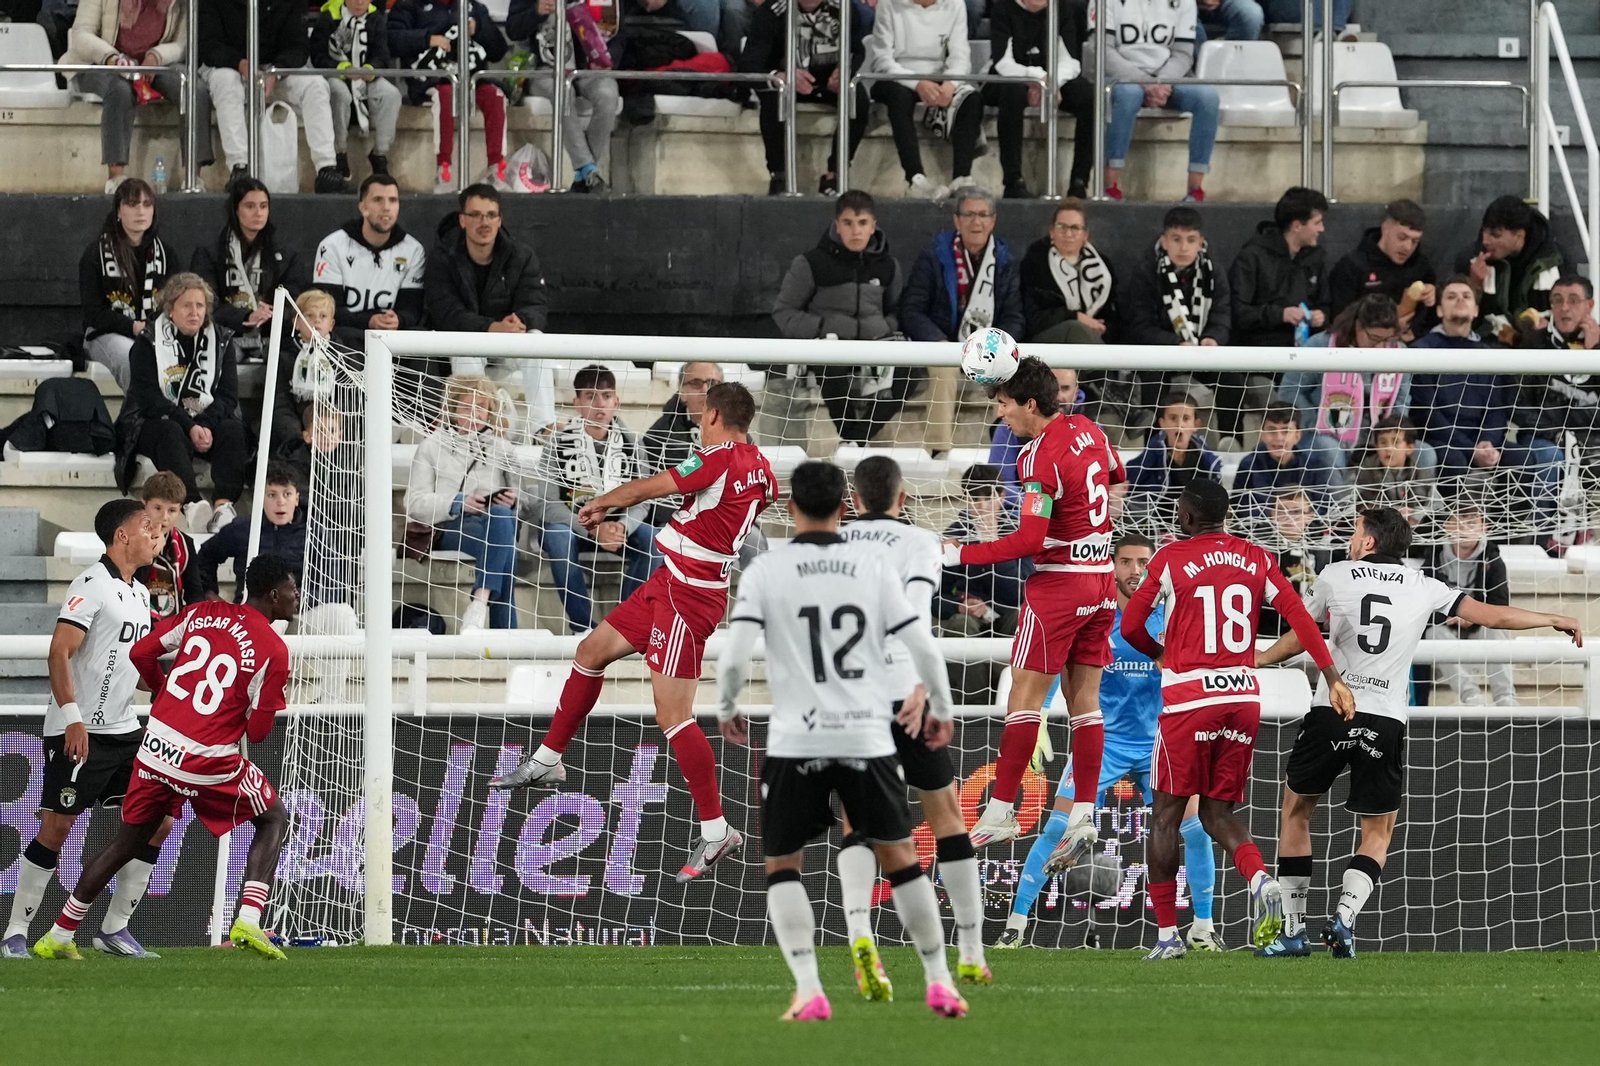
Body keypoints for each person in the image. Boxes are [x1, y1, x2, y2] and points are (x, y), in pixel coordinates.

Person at [1255, 507, 1582, 958]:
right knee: (1378, 830)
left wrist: (1257, 659)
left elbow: (1303, 634)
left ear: (1369, 542)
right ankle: (1345, 920)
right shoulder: (1426, 586)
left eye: (1355, 531)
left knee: (1296, 811)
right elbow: (1491, 616)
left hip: (1333, 708)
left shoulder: (1336, 574)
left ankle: (1292, 932)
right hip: (1386, 719)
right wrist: (1552, 618)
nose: (1351, 538)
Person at [491, 384, 777, 885]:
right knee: (591, 651)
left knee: (673, 716)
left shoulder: (719, 459)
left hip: (690, 598)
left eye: (700, 414)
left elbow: (653, 487)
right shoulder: (761, 467)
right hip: (670, 581)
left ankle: (717, 829)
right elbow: (738, 506)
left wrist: (600, 503)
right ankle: (548, 760)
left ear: (712, 415)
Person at [716, 460, 967, 1021]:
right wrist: (943, 709)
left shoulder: (767, 571)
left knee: (782, 863)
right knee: (901, 857)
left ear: (791, 507)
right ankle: (939, 979)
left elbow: (734, 652)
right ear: (842, 506)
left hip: (795, 739)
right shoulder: (872, 569)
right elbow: (922, 644)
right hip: (863, 732)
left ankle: (809, 989)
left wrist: (727, 705)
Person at [1121, 478, 1354, 959]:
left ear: (1186, 518)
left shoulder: (1169, 558)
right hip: (1243, 697)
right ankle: (1260, 880)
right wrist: (1331, 676)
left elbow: (1128, 626)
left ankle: (1167, 937)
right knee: (1217, 811)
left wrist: (1162, 653)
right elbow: (1304, 619)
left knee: (1164, 818)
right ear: (1225, 516)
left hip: (1189, 700)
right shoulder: (1257, 558)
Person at [33, 554, 300, 961]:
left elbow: (141, 653)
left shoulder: (201, 612)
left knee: (129, 839)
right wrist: (251, 706)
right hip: (206, 757)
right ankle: (249, 917)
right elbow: (258, 733)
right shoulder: (274, 651)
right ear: (275, 594)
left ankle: (59, 933)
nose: (298, 598)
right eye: (293, 591)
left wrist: (164, 691)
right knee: (273, 817)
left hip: (155, 746)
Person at [1000, 533, 1224, 952]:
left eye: (1143, 562)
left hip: (1159, 745)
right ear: (1111, 565)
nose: (1135, 571)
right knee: (1055, 828)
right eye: (1126, 562)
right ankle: (1016, 924)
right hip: (1103, 745)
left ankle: (1203, 927)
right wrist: (1040, 718)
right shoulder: (1093, 617)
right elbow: (1054, 666)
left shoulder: (1169, 619)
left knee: (1195, 830)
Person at [941, 357, 1121, 855]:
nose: (1002, 416)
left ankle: (1000, 813)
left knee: (1023, 700)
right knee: (1085, 702)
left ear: (1031, 404)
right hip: (1101, 583)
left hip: (1060, 588)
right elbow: (1114, 474)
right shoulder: (1089, 430)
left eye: (1004, 405)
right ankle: (1084, 815)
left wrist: (958, 551)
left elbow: (1027, 539)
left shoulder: (1036, 459)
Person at [837, 455, 991, 992]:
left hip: (850, 699)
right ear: (903, 500)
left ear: (853, 501)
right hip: (908, 691)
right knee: (946, 817)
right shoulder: (920, 543)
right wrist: (937, 699)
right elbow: (918, 621)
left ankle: (860, 933)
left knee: (856, 818)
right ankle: (970, 946)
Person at [2, 499, 164, 960]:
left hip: (125, 728)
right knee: (57, 828)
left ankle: (115, 929)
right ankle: (15, 933)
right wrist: (73, 717)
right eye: (146, 526)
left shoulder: (140, 592)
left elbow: (133, 660)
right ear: (121, 536)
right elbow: (59, 652)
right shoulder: (91, 584)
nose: (156, 534)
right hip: (81, 729)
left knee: (159, 819)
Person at [1412, 278, 1561, 528]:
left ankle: (1505, 535)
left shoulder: (1489, 353)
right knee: (1453, 462)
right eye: (1451, 296)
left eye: (1466, 296)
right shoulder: (1421, 349)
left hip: (1483, 440)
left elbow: (1497, 408)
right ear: (1439, 310)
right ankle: (1453, 538)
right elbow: (1427, 414)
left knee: (1521, 459)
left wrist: (1489, 443)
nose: (1460, 300)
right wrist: (1471, 449)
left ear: (1476, 310)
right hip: (1443, 440)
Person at [113, 273, 248, 536]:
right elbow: (149, 398)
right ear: (170, 309)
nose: (194, 312)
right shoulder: (147, 342)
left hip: (206, 418)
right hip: (155, 420)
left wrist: (206, 424)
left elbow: (227, 396)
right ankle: (193, 504)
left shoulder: (221, 340)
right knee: (169, 432)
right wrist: (189, 426)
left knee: (233, 429)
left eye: (200, 306)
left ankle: (223, 506)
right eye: (187, 305)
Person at [771, 191, 910, 446]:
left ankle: (854, 440)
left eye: (862, 223)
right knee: (830, 365)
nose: (855, 231)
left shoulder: (888, 265)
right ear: (837, 225)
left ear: (873, 226)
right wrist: (823, 328)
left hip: (876, 347)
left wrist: (887, 328)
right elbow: (784, 312)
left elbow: (898, 310)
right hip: (829, 347)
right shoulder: (810, 263)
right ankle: (852, 439)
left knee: (910, 371)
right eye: (848, 223)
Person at [530, 365, 658, 633]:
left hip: (616, 528)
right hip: (573, 527)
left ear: (616, 401)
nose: (600, 403)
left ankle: (624, 625)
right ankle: (582, 628)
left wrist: (622, 526)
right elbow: (549, 506)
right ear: (577, 403)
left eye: (607, 395)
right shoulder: (557, 443)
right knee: (556, 536)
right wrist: (594, 530)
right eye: (591, 396)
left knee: (654, 541)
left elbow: (643, 500)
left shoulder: (633, 444)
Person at [423, 183, 556, 440]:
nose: (484, 222)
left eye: (491, 215)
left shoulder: (521, 255)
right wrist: (491, 328)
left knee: (537, 341)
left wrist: (521, 321)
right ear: (462, 220)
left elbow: (536, 303)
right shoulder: (443, 258)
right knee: (464, 347)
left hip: (508, 343)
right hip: (466, 347)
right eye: (475, 215)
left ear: (499, 219)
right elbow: (446, 313)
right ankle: (473, 429)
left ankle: (543, 428)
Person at [901, 187, 1025, 456]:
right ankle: (938, 451)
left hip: (989, 346)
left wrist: (997, 345)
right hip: (943, 344)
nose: (976, 221)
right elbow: (912, 310)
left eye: (983, 215)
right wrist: (939, 341)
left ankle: (1009, 450)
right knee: (945, 370)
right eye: (968, 214)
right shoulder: (934, 255)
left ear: (993, 221)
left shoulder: (1005, 261)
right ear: (957, 220)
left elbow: (1014, 316)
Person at [405, 376, 522, 632]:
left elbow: (523, 500)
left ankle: (479, 603)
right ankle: (505, 635)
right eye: (466, 407)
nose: (474, 414)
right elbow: (414, 503)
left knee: (502, 517)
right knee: (506, 548)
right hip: (449, 526)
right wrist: (459, 502)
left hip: (493, 522)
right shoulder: (431, 446)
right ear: (452, 409)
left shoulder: (503, 448)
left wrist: (512, 501)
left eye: (480, 407)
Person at [64, 0, 214, 194]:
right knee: (120, 89)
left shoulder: (180, 2)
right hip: (99, 61)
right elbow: (81, 35)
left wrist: (156, 56)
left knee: (193, 89)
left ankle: (194, 178)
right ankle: (115, 178)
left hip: (156, 64)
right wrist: (112, 58)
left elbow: (185, 42)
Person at [198, 0, 348, 192]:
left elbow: (299, 46)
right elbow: (208, 45)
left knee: (316, 85)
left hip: (276, 70)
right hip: (229, 66)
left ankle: (327, 168)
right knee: (226, 82)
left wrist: (277, 71)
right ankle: (240, 167)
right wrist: (240, 63)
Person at [1121, 208, 1239, 439]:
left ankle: (1230, 445)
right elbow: (1140, 326)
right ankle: (1153, 449)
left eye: (1191, 240)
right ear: (1164, 242)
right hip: (1163, 352)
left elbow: (1223, 315)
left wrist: (1213, 338)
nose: (1184, 248)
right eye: (1176, 240)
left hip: (1202, 351)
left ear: (1200, 243)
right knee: (1152, 379)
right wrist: (1175, 343)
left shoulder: (1214, 273)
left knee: (1232, 380)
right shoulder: (1146, 272)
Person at [1091, 0, 1219, 202]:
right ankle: (1110, 186)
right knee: (1129, 94)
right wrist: (1145, 82)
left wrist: (1161, 83)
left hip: (1167, 77)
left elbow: (1183, 53)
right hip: (1119, 76)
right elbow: (1103, 52)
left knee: (1207, 98)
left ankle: (1195, 189)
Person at [737, 0, 869, 196]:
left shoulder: (843, 8)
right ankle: (780, 175)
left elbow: (856, 50)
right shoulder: (772, 12)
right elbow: (749, 64)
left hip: (828, 80)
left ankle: (836, 173)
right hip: (786, 79)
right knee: (774, 97)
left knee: (857, 98)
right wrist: (782, 76)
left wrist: (844, 70)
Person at [1276, 295, 1420, 464]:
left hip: (1379, 437)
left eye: (1387, 340)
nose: (1381, 347)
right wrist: (1316, 422)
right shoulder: (1321, 345)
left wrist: (1394, 437)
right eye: (1374, 339)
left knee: (1426, 454)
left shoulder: (1398, 351)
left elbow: (1401, 400)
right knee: (1330, 451)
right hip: (1323, 435)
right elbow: (1289, 390)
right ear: (1358, 326)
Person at [864, 0, 983, 200]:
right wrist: (918, 83)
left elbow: (960, 56)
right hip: (895, 75)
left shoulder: (955, 5)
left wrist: (950, 83)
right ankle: (915, 178)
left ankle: (962, 177)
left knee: (972, 99)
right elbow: (882, 60)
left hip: (938, 73)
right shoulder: (889, 4)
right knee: (899, 98)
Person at [389, 0, 510, 192]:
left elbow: (498, 51)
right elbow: (392, 40)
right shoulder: (408, 5)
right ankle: (443, 169)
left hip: (471, 78)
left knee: (496, 95)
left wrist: (478, 29)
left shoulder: (474, 7)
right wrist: (427, 38)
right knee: (445, 95)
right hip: (430, 79)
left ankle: (496, 168)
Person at [506, 0, 619, 192]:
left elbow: (617, 33)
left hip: (586, 68)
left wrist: (606, 57)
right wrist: (536, 12)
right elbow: (513, 30)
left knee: (608, 94)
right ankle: (587, 170)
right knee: (562, 91)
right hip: (544, 70)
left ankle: (585, 174)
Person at [190, 178, 307, 363]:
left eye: (263, 206)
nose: (258, 213)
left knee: (294, 354)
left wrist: (274, 312)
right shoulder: (210, 252)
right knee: (224, 355)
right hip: (226, 334)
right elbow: (207, 303)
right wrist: (247, 316)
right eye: (250, 206)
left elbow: (296, 299)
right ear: (236, 210)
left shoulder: (285, 254)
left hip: (272, 334)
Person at [987, 0, 1094, 199]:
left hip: (1053, 77)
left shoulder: (1062, 9)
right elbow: (1003, 62)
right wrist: (1035, 78)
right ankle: (1013, 181)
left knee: (1090, 98)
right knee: (1013, 94)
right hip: (1013, 75)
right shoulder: (1003, 7)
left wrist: (1051, 84)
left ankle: (1079, 183)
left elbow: (1070, 60)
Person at [313, 175, 427, 346]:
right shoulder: (332, 246)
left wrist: (398, 320)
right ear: (362, 207)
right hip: (348, 333)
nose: (386, 207)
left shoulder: (413, 250)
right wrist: (369, 321)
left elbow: (412, 309)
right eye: (378, 200)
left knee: (421, 338)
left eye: (393, 200)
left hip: (392, 337)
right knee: (342, 336)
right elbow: (326, 309)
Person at [79, 178, 170, 391]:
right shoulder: (95, 254)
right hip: (105, 333)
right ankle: (141, 421)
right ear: (118, 212)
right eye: (132, 204)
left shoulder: (166, 254)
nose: (141, 211)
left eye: (147, 205)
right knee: (134, 359)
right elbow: (94, 312)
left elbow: (176, 304)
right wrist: (132, 326)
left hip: (154, 332)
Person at [1425, 505, 1518, 707]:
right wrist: (1453, 615)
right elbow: (1424, 606)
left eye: (1471, 522)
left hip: (1479, 629)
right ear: (1447, 526)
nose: (1464, 529)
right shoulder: (1434, 556)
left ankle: (1505, 697)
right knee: (1433, 634)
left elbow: (1500, 606)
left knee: (1499, 632)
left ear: (1483, 526)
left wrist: (1472, 617)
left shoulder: (1493, 559)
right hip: (1447, 630)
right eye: (1458, 522)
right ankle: (1471, 696)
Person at [309, 0, 403, 181]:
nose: (360, 2)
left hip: (367, 75)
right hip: (337, 74)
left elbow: (383, 54)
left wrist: (370, 68)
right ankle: (340, 152)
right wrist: (342, 68)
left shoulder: (376, 19)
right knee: (339, 94)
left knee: (391, 94)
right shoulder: (328, 17)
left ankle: (379, 153)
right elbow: (317, 56)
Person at [1230, 186, 1331, 348]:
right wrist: (1280, 315)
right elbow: (1238, 312)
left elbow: (1326, 304)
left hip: (1307, 356)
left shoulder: (1316, 258)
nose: (1322, 229)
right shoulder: (1252, 256)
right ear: (1297, 226)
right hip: (1261, 356)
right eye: (1317, 223)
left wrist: (1322, 316)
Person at [1459, 194, 1565, 345]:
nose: (1485, 241)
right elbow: (1462, 323)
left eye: (1495, 235)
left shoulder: (1558, 261)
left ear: (1519, 235)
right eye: (1484, 231)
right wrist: (1473, 285)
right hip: (1487, 349)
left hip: (1542, 349)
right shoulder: (1470, 260)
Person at [197, 462, 307, 601]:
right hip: (250, 613)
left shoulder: (314, 534)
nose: (281, 502)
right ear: (261, 498)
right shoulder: (242, 529)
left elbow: (330, 586)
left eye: (287, 494)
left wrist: (291, 599)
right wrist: (209, 594)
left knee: (341, 612)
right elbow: (205, 556)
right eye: (272, 495)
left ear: (296, 499)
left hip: (299, 612)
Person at [940, 462, 1027, 636]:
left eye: (988, 498)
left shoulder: (1021, 533)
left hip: (1007, 615)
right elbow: (935, 595)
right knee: (960, 623)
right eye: (974, 499)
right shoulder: (955, 535)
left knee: (1021, 619)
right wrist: (959, 606)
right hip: (968, 617)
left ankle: (1008, 665)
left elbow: (1020, 593)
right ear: (965, 499)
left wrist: (993, 544)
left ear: (1002, 497)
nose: (982, 507)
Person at [1326, 199, 1437, 334]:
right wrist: (1389, 330)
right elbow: (1340, 321)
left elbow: (1432, 320)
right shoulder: (1352, 266)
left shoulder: (1421, 266)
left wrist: (1432, 295)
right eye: (1402, 237)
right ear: (1385, 227)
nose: (1407, 247)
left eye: (1415, 241)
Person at [1123, 392, 1222, 527]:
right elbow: (1134, 496)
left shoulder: (1207, 461)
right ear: (1162, 423)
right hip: (1156, 528)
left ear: (1196, 424)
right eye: (1173, 418)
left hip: (1197, 528)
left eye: (1186, 418)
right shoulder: (1148, 459)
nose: (1179, 424)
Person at [1020, 200, 1114, 344]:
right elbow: (1032, 317)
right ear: (1051, 231)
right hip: (1046, 339)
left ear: (1085, 235)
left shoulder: (1103, 267)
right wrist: (1075, 316)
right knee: (1075, 329)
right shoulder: (1035, 262)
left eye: (1075, 228)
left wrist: (1100, 327)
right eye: (1061, 226)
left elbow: (1115, 319)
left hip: (1095, 339)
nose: (1068, 233)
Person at [641, 361, 723, 525]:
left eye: (713, 383)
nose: (706, 391)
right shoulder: (659, 436)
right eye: (696, 383)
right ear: (682, 392)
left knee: (753, 540)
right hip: (675, 519)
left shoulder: (737, 430)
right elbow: (653, 493)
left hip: (725, 518)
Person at [1232, 401, 1346, 517]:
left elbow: (1325, 509)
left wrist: (1298, 518)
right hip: (1261, 532)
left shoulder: (1317, 467)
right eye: (1271, 430)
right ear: (1261, 434)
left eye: (1286, 431)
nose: (1278, 438)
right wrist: (1277, 515)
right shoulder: (1248, 465)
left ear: (1297, 436)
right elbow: (1239, 509)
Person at [272, 287, 338, 452]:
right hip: (296, 431)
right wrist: (298, 434)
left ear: (331, 324)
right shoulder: (283, 357)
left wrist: (332, 427)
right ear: (296, 322)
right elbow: (280, 402)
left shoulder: (342, 357)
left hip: (334, 431)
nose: (316, 321)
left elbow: (351, 400)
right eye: (309, 316)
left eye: (323, 316)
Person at [135, 470, 203, 622]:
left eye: (172, 510)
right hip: (137, 623)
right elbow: (129, 586)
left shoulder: (185, 544)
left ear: (180, 511)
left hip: (173, 625)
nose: (164, 517)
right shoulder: (130, 539)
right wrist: (151, 551)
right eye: (157, 508)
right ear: (144, 505)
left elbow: (195, 593)